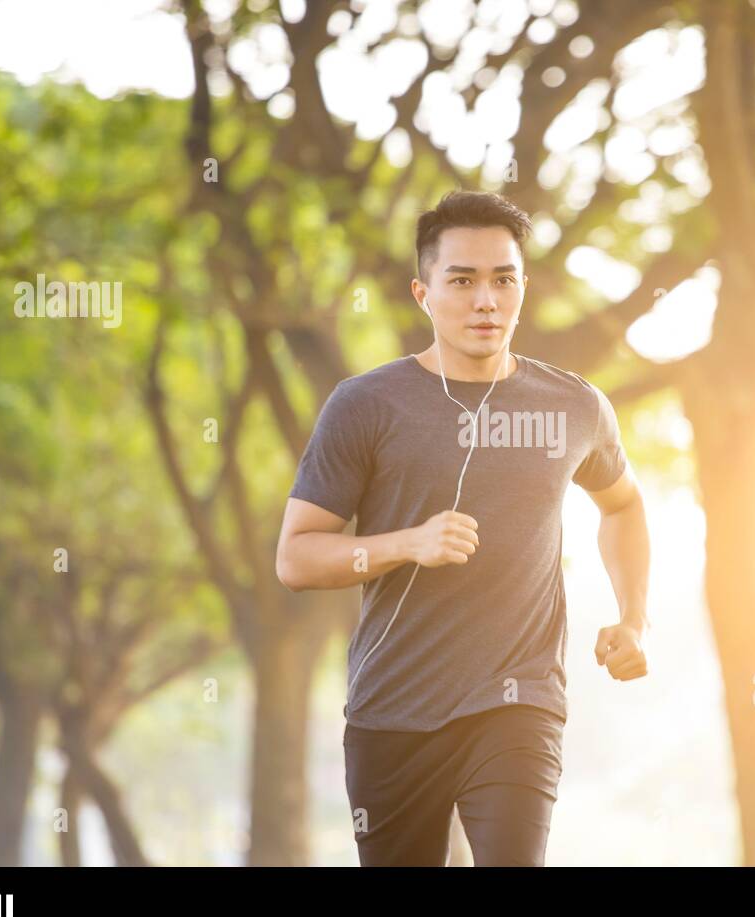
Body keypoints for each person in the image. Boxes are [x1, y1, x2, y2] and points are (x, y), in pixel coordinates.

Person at [275, 189, 651, 866]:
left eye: (503, 279)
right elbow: (296, 559)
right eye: (463, 280)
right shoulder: (365, 406)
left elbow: (622, 504)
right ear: (423, 293)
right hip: (392, 709)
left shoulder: (573, 406)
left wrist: (635, 619)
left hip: (519, 701)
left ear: (523, 289)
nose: (486, 300)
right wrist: (405, 544)